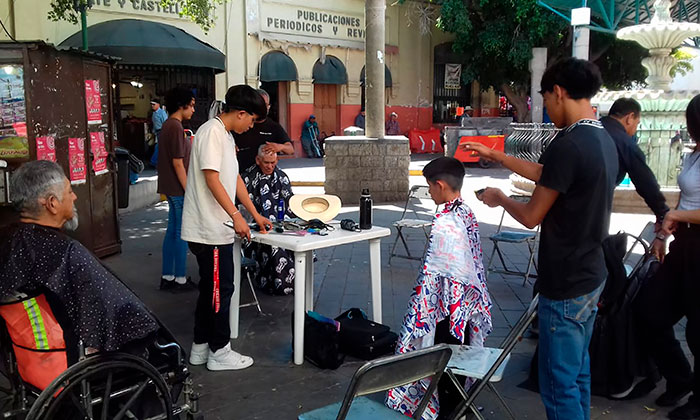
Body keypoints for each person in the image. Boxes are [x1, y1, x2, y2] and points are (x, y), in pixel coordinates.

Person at [463, 58, 618, 420]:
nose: (547, 109)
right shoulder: (601, 139)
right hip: (591, 275)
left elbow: (532, 216)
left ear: (559, 92)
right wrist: (496, 155)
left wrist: (500, 198)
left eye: (547, 100)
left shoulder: (571, 144)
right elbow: (549, 175)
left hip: (564, 283)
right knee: (578, 374)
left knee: (558, 382)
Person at [0, 160, 159, 362]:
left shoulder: (7, 240)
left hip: (27, 352)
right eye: (69, 192)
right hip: (70, 354)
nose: (74, 196)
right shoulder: (65, 252)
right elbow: (107, 311)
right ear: (52, 203)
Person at [386, 157, 491, 420]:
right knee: (455, 357)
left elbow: (445, 275)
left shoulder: (446, 223)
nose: (430, 192)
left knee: (444, 360)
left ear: (441, 185)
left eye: (430, 187)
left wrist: (427, 314)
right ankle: (457, 407)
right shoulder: (465, 211)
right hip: (464, 307)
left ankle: (448, 411)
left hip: (447, 310)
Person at [182, 84, 272, 371]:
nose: (251, 127)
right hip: (209, 230)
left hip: (216, 226)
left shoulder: (224, 134)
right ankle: (220, 351)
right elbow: (212, 179)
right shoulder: (211, 132)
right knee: (221, 290)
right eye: (252, 120)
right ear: (241, 112)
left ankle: (200, 346)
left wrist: (255, 214)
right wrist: (236, 215)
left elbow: (234, 181)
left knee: (211, 290)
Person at [634, 95, 700, 420]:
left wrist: (679, 214)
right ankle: (679, 377)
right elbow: (685, 198)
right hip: (684, 245)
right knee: (650, 311)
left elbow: (685, 207)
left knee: (697, 330)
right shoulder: (693, 155)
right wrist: (663, 233)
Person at [601, 98, 670, 252]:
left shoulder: (587, 130)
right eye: (637, 124)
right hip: (592, 211)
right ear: (629, 118)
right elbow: (646, 183)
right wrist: (663, 213)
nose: (635, 129)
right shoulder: (625, 143)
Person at [242, 145, 296, 295]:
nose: (270, 166)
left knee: (295, 241)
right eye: (266, 162)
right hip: (256, 228)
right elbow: (243, 211)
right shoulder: (247, 178)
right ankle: (278, 284)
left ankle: (291, 281)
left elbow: (290, 206)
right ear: (258, 160)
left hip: (281, 223)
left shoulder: (282, 177)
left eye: (273, 162)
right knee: (274, 246)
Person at [157, 87, 196, 291]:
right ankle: (179, 278)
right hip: (178, 189)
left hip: (170, 187)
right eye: (191, 105)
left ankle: (168, 275)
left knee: (172, 231)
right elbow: (178, 163)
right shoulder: (175, 127)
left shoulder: (168, 125)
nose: (193, 110)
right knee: (181, 233)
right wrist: (189, 189)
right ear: (182, 105)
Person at [232, 89, 294, 172]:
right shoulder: (240, 123)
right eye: (259, 105)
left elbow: (290, 149)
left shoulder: (274, 127)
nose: (262, 108)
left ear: (269, 106)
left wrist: (279, 147)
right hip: (240, 173)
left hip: (264, 176)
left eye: (265, 105)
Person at [150, 98, 168, 167]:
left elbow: (165, 122)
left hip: (162, 131)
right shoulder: (154, 113)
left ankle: (154, 161)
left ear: (158, 105)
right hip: (157, 132)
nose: (152, 106)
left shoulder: (162, 113)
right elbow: (155, 124)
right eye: (151, 104)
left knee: (159, 147)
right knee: (158, 147)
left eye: (154, 104)